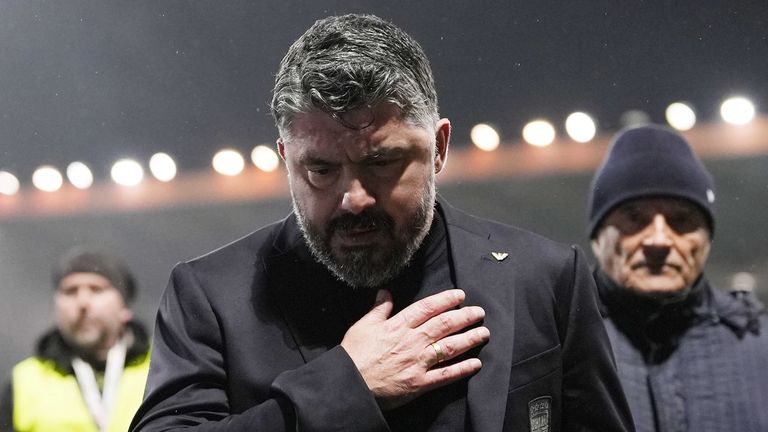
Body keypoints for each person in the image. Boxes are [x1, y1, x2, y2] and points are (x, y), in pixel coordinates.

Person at [131, 14, 633, 431]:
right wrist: (346, 387)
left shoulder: (545, 276)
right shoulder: (209, 295)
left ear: (438, 147)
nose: (354, 198)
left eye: (381, 162)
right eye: (321, 170)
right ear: (286, 159)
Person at [588, 124, 768, 431]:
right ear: (597, 238)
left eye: (681, 219)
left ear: (707, 238)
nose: (659, 240)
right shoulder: (559, 345)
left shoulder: (758, 345)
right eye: (634, 218)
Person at [0, 247, 151, 432]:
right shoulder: (23, 382)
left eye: (97, 289)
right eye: (70, 291)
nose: (83, 302)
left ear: (125, 308)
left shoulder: (163, 368)